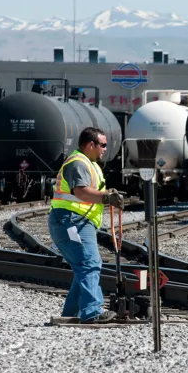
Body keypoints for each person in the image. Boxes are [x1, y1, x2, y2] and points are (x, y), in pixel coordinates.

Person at [48, 127, 125, 324]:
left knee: (85, 265)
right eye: (103, 145)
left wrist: (107, 195)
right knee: (89, 263)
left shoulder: (89, 164)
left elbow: (91, 191)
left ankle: (70, 313)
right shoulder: (78, 163)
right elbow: (81, 192)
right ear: (91, 144)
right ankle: (92, 310)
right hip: (71, 220)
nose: (105, 149)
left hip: (77, 221)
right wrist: (106, 197)